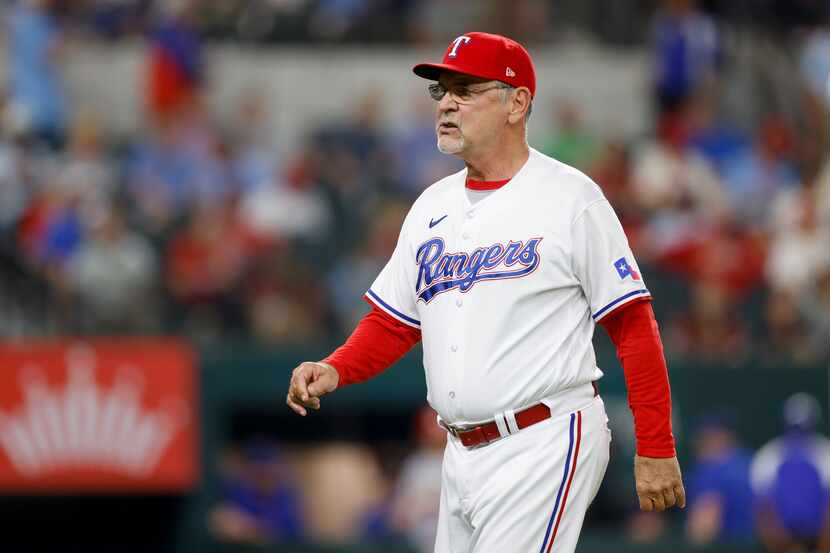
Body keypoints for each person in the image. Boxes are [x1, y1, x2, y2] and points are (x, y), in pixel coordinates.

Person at [287, 32, 685, 553]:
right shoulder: (432, 205)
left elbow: (633, 327)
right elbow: (394, 322)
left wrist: (655, 445)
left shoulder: (571, 198)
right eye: (442, 91)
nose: (447, 103)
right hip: (459, 453)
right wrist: (337, 367)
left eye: (467, 89)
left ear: (517, 103)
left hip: (544, 436)